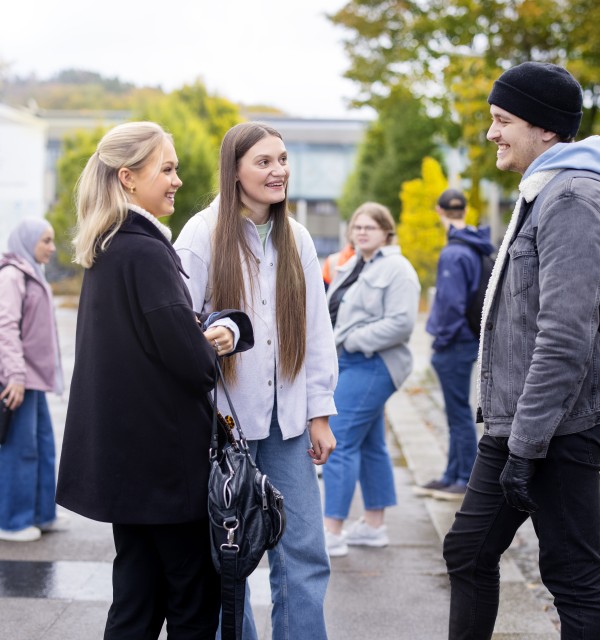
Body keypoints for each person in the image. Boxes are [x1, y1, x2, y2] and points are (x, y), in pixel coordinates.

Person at [56, 121, 252, 639]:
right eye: (166, 169)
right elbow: (192, 366)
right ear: (127, 178)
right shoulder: (146, 252)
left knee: (135, 604)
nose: (176, 180)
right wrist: (209, 342)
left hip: (129, 467)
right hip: (167, 469)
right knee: (192, 602)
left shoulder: (109, 247)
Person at [443, 62, 600, 638]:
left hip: (558, 429)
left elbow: (565, 335)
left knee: (577, 581)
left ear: (547, 130)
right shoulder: (544, 190)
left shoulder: (572, 198)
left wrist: (525, 447)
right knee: (467, 551)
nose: (492, 133)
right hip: (518, 426)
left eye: (502, 120)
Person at [174, 122, 338, 640]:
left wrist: (320, 413)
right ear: (235, 170)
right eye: (263, 161)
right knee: (231, 557)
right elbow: (178, 324)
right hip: (225, 430)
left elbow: (316, 330)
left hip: (288, 425)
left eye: (283, 159)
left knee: (306, 554)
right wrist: (213, 332)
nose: (278, 171)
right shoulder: (202, 233)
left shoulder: (299, 238)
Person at [322, 202, 420, 557]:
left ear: (386, 231)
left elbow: (401, 323)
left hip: (373, 363)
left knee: (340, 439)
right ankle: (374, 525)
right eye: (357, 227)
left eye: (370, 227)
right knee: (370, 443)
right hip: (350, 362)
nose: (361, 232)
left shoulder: (398, 269)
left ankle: (331, 530)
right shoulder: (351, 265)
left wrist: (353, 340)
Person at [415, 189, 495, 501]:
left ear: (439, 210)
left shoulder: (453, 253)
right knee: (455, 411)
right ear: (465, 210)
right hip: (471, 339)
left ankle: (464, 478)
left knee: (459, 414)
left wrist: (441, 343)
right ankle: (452, 474)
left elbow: (450, 306)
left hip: (455, 345)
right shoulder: (477, 245)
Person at [0, 217, 65, 542]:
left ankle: (40, 514)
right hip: (17, 380)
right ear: (27, 241)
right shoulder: (12, 276)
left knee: (42, 447)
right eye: (46, 241)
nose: (51, 249)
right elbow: (5, 327)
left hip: (34, 380)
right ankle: (12, 521)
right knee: (19, 449)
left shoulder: (33, 273)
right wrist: (13, 375)